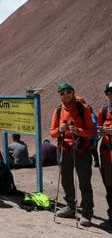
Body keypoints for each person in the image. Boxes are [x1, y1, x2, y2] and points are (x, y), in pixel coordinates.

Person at [49, 82, 94, 227]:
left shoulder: (83, 108)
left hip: (82, 149)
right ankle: (70, 207)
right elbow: (52, 133)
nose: (66, 95)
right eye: (62, 93)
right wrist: (59, 131)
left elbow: (91, 131)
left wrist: (78, 131)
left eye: (68, 92)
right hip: (64, 148)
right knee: (67, 180)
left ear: (73, 92)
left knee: (84, 182)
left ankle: (86, 213)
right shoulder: (57, 111)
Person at [97, 81, 112, 227]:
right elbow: (99, 129)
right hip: (107, 155)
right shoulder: (104, 111)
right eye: (109, 93)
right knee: (109, 185)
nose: (111, 95)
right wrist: (100, 132)